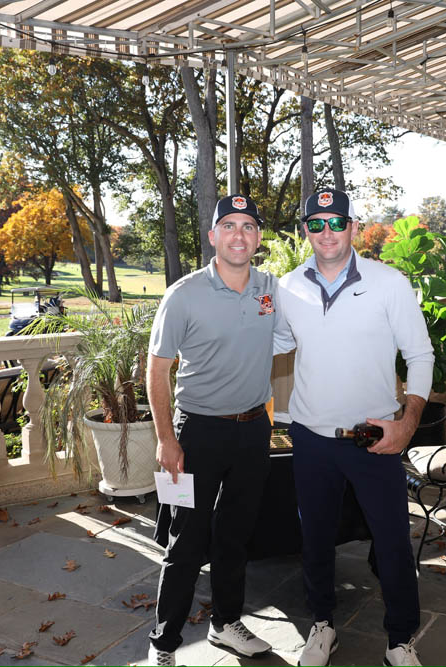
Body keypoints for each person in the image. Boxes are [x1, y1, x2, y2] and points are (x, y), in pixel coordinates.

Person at [274, 188, 434, 667]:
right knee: (315, 539)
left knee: (392, 542)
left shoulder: (389, 283)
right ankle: (322, 625)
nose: (326, 232)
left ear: (352, 227)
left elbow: (420, 354)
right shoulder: (287, 287)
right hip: (310, 438)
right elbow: (274, 343)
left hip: (374, 439)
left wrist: (407, 424)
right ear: (306, 230)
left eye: (336, 222)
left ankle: (400, 640)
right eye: (316, 223)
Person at [145, 194, 276, 667]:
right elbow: (157, 370)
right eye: (229, 226)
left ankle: (225, 624)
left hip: (253, 430)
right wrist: (166, 439)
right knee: (186, 543)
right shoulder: (184, 294)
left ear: (257, 238)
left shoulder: (270, 289)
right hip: (197, 434)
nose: (239, 235)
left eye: (248, 226)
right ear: (213, 235)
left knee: (235, 537)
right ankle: (164, 643)